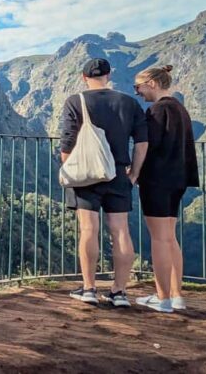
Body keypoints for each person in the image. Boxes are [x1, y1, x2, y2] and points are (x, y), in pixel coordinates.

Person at [60, 58, 148, 307]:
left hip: (86, 175)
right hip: (118, 174)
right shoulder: (128, 103)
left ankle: (89, 288)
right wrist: (134, 174)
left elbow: (67, 144)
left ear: (83, 76)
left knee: (89, 230)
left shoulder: (75, 101)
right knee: (120, 230)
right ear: (109, 75)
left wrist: (70, 170)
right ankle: (119, 292)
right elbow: (142, 143)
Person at [133, 65, 199, 313]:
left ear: (151, 83)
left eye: (137, 86)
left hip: (157, 180)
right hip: (179, 179)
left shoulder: (157, 111)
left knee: (159, 239)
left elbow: (146, 146)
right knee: (170, 237)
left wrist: (134, 173)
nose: (138, 92)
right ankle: (176, 294)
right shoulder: (179, 108)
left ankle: (162, 299)